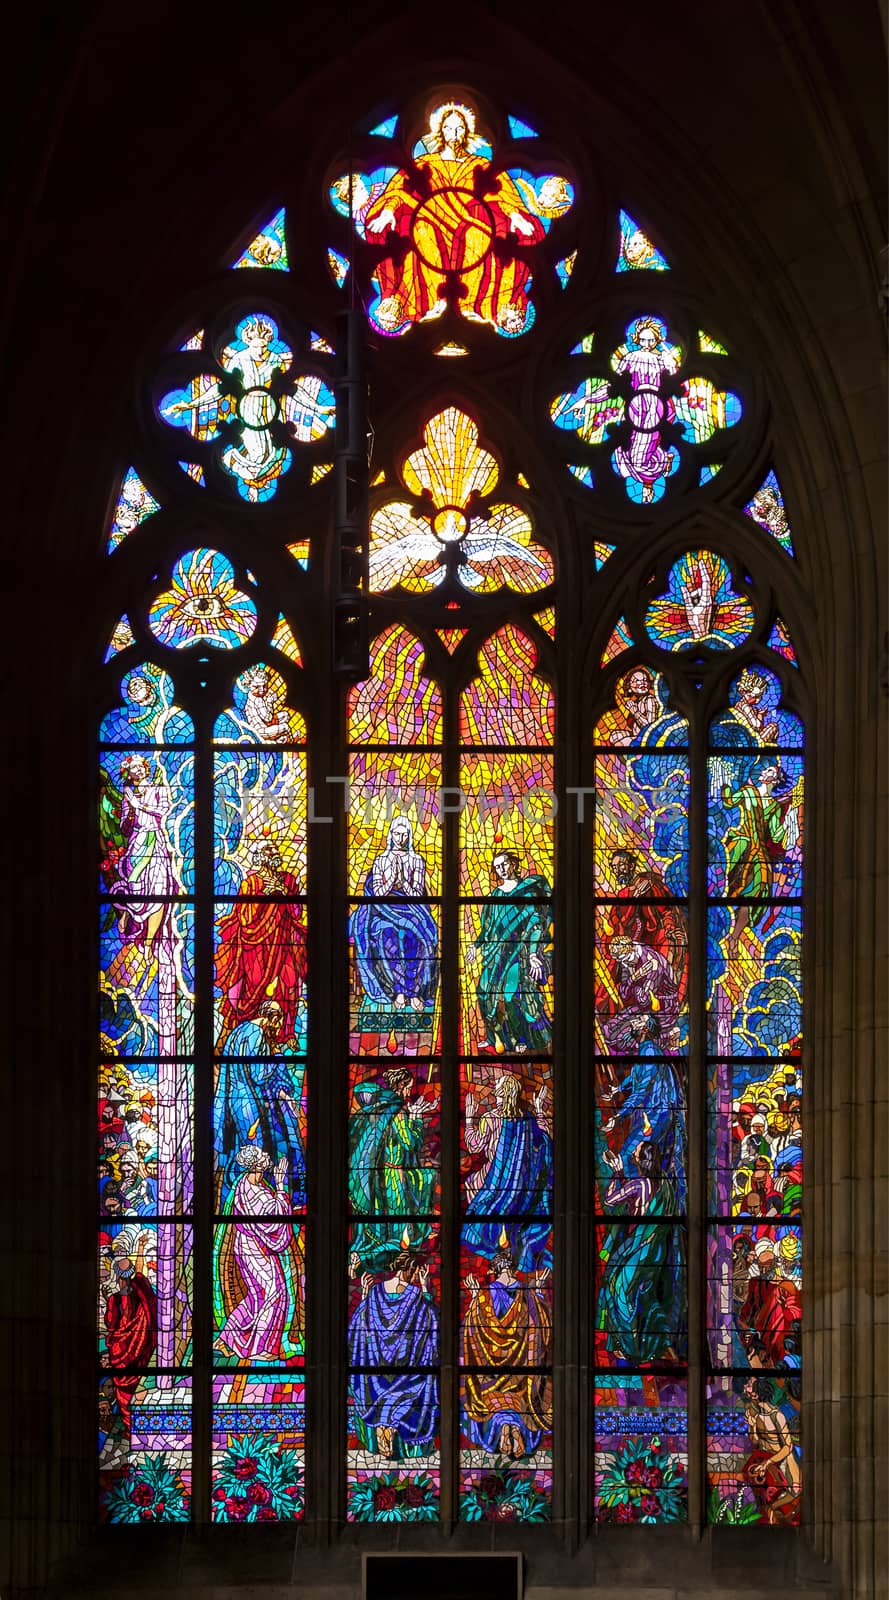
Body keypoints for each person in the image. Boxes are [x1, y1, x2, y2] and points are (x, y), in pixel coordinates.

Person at [364, 101, 546, 335]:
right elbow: (399, 190)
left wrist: (515, 216)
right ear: (440, 131)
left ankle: (469, 305)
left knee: (477, 236)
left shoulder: (480, 165)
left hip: (471, 223)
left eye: (459, 128)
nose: (454, 134)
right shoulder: (424, 163)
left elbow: (501, 192)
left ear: (467, 132)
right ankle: (432, 303)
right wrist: (388, 211)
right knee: (422, 232)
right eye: (449, 128)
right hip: (429, 221)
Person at [213, 1145, 303, 1362]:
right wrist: (281, 1187)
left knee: (257, 1297)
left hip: (250, 1246)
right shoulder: (253, 1191)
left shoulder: (248, 1184)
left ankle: (226, 1339)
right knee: (275, 1292)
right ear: (255, 1165)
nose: (266, 1156)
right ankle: (258, 1348)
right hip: (253, 1249)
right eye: (263, 1155)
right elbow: (271, 1221)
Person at [462, 1246, 552, 1460]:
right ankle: (514, 1430)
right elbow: (541, 1329)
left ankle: (504, 1429)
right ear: (512, 1269)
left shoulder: (485, 1295)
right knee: (524, 1398)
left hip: (492, 1374)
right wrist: (538, 1290)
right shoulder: (527, 1294)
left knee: (490, 1396)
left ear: (496, 1269)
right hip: (522, 1375)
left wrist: (475, 1298)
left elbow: (473, 1331)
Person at [348, 1250, 439, 1460]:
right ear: (410, 1270)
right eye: (416, 1273)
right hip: (408, 1368)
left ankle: (384, 1426)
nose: (417, 1277)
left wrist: (364, 1295)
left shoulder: (376, 1292)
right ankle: (391, 1428)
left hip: (376, 1370)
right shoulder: (416, 1296)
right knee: (415, 1386)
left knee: (384, 1392)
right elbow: (431, 1320)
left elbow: (360, 1324)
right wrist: (425, 1289)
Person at [214, 998, 305, 1207]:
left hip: (233, 1100)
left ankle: (234, 1198)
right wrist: (278, 1058)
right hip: (248, 1103)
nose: (277, 1029)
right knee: (254, 1151)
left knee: (238, 1149)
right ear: (270, 1019)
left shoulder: (239, 1030)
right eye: (277, 1024)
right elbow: (258, 1074)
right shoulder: (256, 1034)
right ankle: (250, 1203)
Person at [596, 1142, 682, 1363]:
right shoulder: (664, 1185)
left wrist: (617, 1172)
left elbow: (610, 1200)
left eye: (635, 1152)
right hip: (656, 1250)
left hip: (639, 1249)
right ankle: (657, 1341)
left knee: (620, 1291)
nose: (633, 1153)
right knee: (643, 1293)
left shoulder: (638, 1185)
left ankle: (631, 1347)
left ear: (641, 1160)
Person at [214, 842, 307, 1044]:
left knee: (290, 986)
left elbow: (297, 913)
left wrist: (283, 891)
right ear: (260, 857)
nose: (275, 853)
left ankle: (285, 1035)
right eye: (269, 850)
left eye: (276, 850)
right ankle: (249, 1038)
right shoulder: (251, 883)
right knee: (254, 990)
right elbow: (245, 918)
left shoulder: (288, 881)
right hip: (256, 949)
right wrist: (265, 895)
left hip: (284, 945)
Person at [348, 1068, 437, 1270]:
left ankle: (374, 1253)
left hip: (380, 1173)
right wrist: (416, 1118)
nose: (409, 1092)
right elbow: (410, 1143)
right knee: (400, 1213)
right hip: (393, 1175)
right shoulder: (397, 1111)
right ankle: (381, 1255)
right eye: (408, 1088)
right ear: (400, 1087)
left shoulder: (381, 1107)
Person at [349, 818, 438, 1019]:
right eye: (397, 834)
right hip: (384, 910)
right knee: (387, 934)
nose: (401, 838)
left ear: (410, 836)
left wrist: (403, 881)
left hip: (412, 910)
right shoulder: (381, 860)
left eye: (405, 834)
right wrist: (392, 882)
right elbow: (378, 892)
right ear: (391, 835)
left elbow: (417, 893)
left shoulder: (416, 860)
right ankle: (398, 990)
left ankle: (414, 992)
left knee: (415, 938)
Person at [463, 1072, 552, 1271]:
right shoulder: (527, 1118)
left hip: (492, 1177)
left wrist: (469, 1119)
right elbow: (544, 1139)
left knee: (472, 1183)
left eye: (498, 1086)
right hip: (523, 1183)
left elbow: (474, 1146)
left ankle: (489, 1238)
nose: (494, 1088)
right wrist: (538, 1109)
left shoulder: (490, 1118)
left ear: (502, 1093)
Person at [469, 850, 552, 1053]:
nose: (502, 870)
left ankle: (521, 1039)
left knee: (512, 994)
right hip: (496, 953)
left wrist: (533, 954)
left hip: (519, 953)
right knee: (483, 991)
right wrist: (476, 945)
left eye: (505, 864)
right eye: (497, 867)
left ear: (514, 864)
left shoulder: (528, 891)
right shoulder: (495, 895)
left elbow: (536, 925)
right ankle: (494, 1037)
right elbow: (488, 928)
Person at [110, 754, 181, 945]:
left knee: (158, 888)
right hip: (137, 842)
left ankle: (149, 942)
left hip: (155, 841)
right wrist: (131, 810)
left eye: (141, 766)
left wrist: (139, 805)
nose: (139, 769)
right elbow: (124, 827)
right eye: (134, 768)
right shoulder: (129, 795)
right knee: (135, 885)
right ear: (129, 774)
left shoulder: (158, 789)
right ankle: (126, 915)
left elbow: (165, 811)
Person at [612, 320, 679, 502]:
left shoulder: (660, 360)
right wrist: (586, 399)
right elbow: (614, 383)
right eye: (643, 340)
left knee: (644, 450)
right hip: (635, 406)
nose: (647, 344)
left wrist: (671, 365)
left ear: (657, 340)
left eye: (651, 341)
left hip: (655, 406)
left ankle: (649, 482)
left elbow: (677, 384)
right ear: (637, 339)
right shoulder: (630, 358)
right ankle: (662, 461)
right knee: (633, 449)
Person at [610, 850, 688, 991]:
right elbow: (622, 923)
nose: (617, 871)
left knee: (668, 952)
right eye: (614, 867)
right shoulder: (622, 894)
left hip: (655, 939)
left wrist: (670, 929)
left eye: (620, 865)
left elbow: (665, 911)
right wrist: (635, 897)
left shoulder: (649, 885)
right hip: (632, 944)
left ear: (632, 865)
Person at [101, 1233, 157, 1430]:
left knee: (124, 1393)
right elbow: (140, 1272)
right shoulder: (142, 1290)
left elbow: (111, 1323)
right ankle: (133, 1425)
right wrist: (140, 1248)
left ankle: (128, 1425)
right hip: (140, 1349)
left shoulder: (114, 1299)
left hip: (121, 1354)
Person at [601, 935, 681, 1054]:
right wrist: (635, 977)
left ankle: (669, 1034)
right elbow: (624, 994)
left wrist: (634, 986)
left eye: (626, 959)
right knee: (610, 1030)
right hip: (643, 1009)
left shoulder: (652, 962)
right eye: (621, 961)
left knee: (622, 1038)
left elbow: (645, 999)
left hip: (665, 1009)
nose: (625, 964)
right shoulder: (627, 962)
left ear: (633, 949)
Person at [741, 1375, 801, 1523]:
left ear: (757, 1394)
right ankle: (766, 1510)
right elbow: (754, 1440)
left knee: (796, 1490)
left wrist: (768, 1463)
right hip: (764, 1456)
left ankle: (773, 1508)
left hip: (782, 1457)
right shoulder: (755, 1413)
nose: (749, 1393)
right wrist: (752, 1425)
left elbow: (787, 1447)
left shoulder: (777, 1416)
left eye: (752, 1390)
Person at [243, 668, 291, 743]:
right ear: (249, 686)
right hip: (261, 731)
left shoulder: (255, 697)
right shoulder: (257, 700)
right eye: (256, 687)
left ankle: (277, 738)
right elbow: (268, 718)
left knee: (285, 715)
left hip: (266, 725)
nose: (262, 690)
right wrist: (269, 702)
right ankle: (289, 741)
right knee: (285, 727)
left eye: (264, 686)